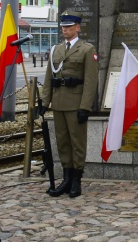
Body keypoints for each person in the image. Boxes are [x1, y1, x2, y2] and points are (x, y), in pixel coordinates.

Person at [40, 12, 98, 198]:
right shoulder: (56, 49)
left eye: (69, 27)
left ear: (78, 28)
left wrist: (85, 107)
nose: (65, 30)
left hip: (75, 102)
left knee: (77, 143)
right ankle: (65, 179)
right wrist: (44, 102)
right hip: (59, 102)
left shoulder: (87, 49)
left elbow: (90, 81)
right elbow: (49, 77)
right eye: (63, 27)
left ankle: (76, 180)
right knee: (63, 142)